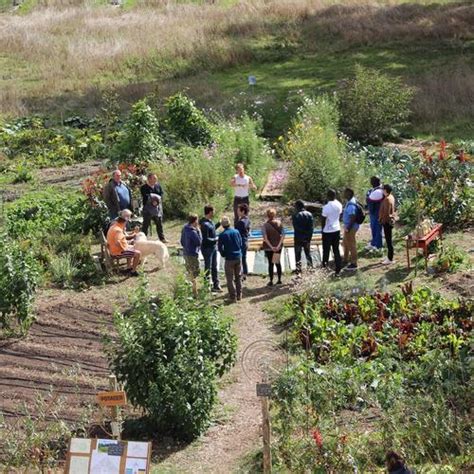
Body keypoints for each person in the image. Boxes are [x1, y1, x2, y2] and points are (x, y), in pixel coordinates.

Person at [218, 216, 243, 303]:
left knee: (229, 279)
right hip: (238, 257)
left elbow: (220, 248)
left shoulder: (222, 235)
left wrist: (223, 254)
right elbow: (240, 243)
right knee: (238, 277)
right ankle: (239, 295)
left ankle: (233, 297)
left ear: (222, 225)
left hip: (229, 258)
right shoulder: (236, 231)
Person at [199, 205, 222, 292]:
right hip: (207, 248)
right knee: (208, 267)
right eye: (213, 211)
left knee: (215, 267)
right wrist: (216, 239)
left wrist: (218, 224)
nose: (214, 213)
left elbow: (212, 229)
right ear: (210, 212)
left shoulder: (210, 222)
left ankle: (216, 284)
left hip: (213, 247)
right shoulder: (204, 224)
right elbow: (206, 239)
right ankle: (206, 286)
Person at [321, 189, 343, 275]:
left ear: (328, 196)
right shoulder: (339, 204)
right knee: (336, 250)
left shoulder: (326, 207)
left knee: (326, 250)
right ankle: (338, 269)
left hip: (327, 231)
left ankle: (324, 268)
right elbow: (339, 215)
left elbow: (323, 219)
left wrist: (323, 230)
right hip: (336, 229)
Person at [140, 173, 166, 242]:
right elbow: (145, 196)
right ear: (149, 179)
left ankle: (162, 238)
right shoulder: (143, 187)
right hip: (148, 209)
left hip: (157, 208)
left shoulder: (158, 186)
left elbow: (161, 194)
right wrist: (153, 200)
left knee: (159, 224)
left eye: (156, 178)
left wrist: (157, 201)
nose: (155, 179)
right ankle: (143, 239)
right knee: (146, 225)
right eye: (154, 178)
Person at [180, 214, 202, 296]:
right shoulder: (193, 232)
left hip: (186, 252)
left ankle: (189, 289)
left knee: (189, 271)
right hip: (192, 254)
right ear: (195, 221)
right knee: (195, 273)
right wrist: (199, 231)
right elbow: (199, 242)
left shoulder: (184, 228)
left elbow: (181, 241)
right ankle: (194, 292)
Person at [262, 208, 285, 286]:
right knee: (277, 262)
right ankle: (279, 280)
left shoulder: (265, 225)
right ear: (274, 215)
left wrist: (271, 247)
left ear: (267, 215)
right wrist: (278, 246)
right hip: (278, 247)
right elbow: (283, 235)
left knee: (270, 264)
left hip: (269, 248)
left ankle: (271, 280)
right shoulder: (279, 223)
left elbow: (265, 238)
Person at [292, 200, 314, 274]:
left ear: (297, 206)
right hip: (307, 238)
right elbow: (311, 228)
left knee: (298, 254)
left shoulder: (295, 215)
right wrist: (308, 238)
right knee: (308, 253)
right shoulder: (310, 214)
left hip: (298, 238)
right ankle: (310, 268)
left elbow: (296, 227)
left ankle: (298, 269)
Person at [342, 188, 359, 271]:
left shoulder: (351, 204)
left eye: (345, 193)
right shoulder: (350, 201)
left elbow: (353, 217)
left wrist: (348, 228)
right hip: (348, 226)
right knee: (345, 242)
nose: (343, 194)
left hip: (350, 227)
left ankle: (354, 263)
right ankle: (345, 259)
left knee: (351, 244)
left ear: (349, 194)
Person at [366, 176, 384, 252]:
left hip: (377, 213)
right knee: (373, 228)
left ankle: (378, 246)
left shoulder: (379, 191)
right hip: (373, 213)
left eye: (372, 181)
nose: (370, 183)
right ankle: (374, 243)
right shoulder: (374, 190)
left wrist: (368, 197)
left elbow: (370, 199)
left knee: (377, 229)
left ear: (376, 182)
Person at [379, 184, 396, 265]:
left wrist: (381, 220)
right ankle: (390, 256)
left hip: (387, 222)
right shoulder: (391, 197)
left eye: (383, 189)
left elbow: (386, 213)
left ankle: (390, 258)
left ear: (385, 190)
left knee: (388, 240)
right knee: (389, 240)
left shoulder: (387, 199)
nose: (382, 191)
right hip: (390, 221)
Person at [235, 203, 251, 280]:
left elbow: (237, 232)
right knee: (244, 258)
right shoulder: (247, 219)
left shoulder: (241, 222)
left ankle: (240, 274)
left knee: (240, 258)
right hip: (245, 241)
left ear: (243, 211)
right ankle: (244, 273)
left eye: (239, 210)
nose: (237, 212)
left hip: (241, 241)